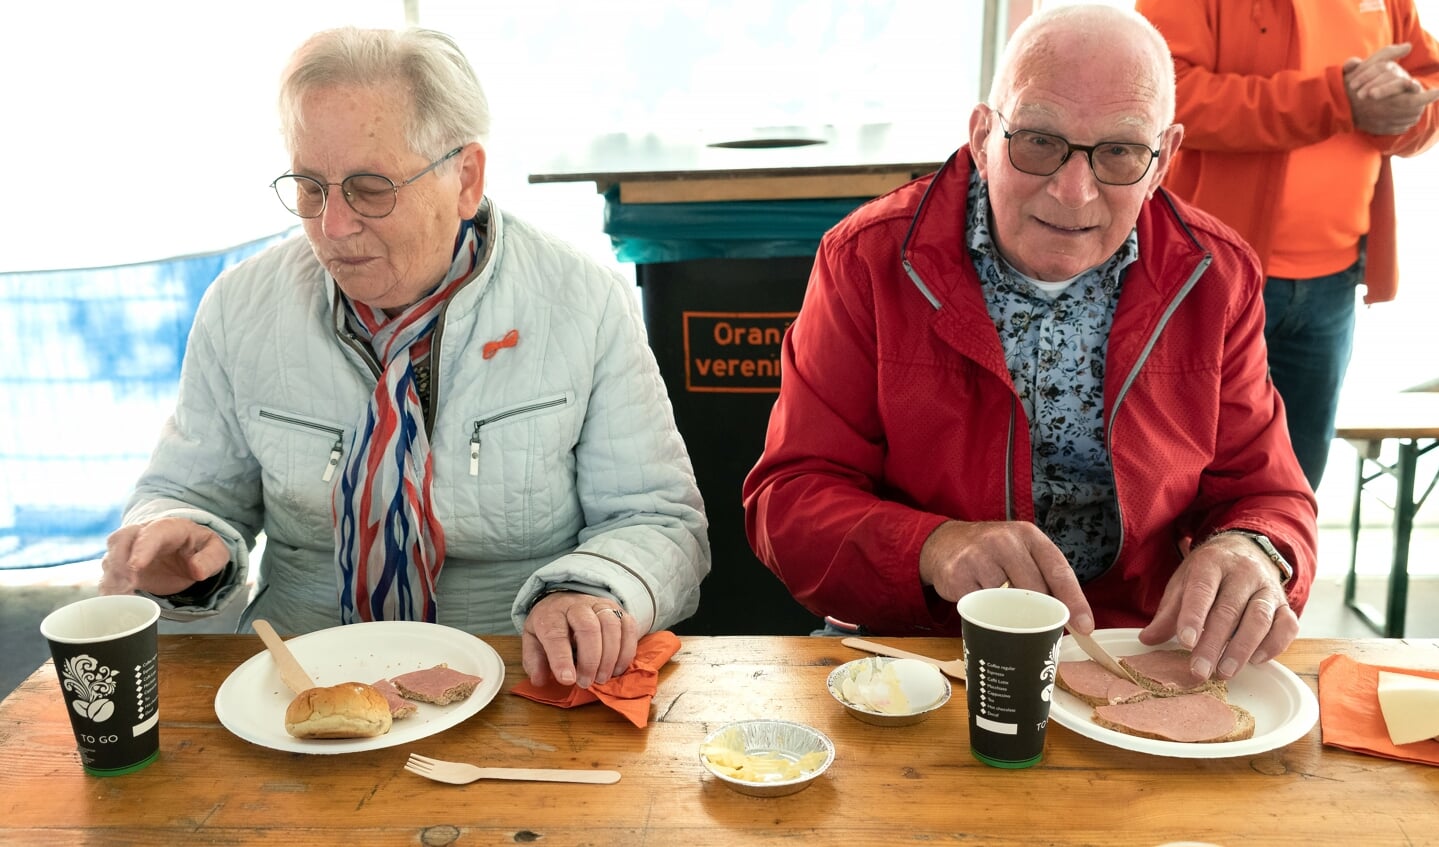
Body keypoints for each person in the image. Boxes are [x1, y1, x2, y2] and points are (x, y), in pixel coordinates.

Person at [99, 26, 710, 691]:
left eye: (368, 187)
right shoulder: (240, 306)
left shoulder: (583, 302)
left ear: (465, 178)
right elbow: (187, 492)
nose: (332, 226)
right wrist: (180, 541)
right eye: (310, 187)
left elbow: (659, 521)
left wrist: (593, 592)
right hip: (299, 677)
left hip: (514, 671)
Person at [742, 4, 1318, 682]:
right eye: (1038, 141)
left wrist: (1254, 549)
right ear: (982, 135)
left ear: (1163, 161)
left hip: (1142, 650)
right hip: (930, 646)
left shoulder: (1216, 277)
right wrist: (933, 547)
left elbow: (1267, 494)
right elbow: (789, 503)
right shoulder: (866, 260)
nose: (1073, 193)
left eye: (1118, 152)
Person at [1136, 0, 1439, 490]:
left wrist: (1402, 112)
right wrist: (1336, 100)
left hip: (1332, 290)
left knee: (1290, 493)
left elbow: (1429, 87)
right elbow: (1166, 92)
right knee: (1175, 486)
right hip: (1207, 280)